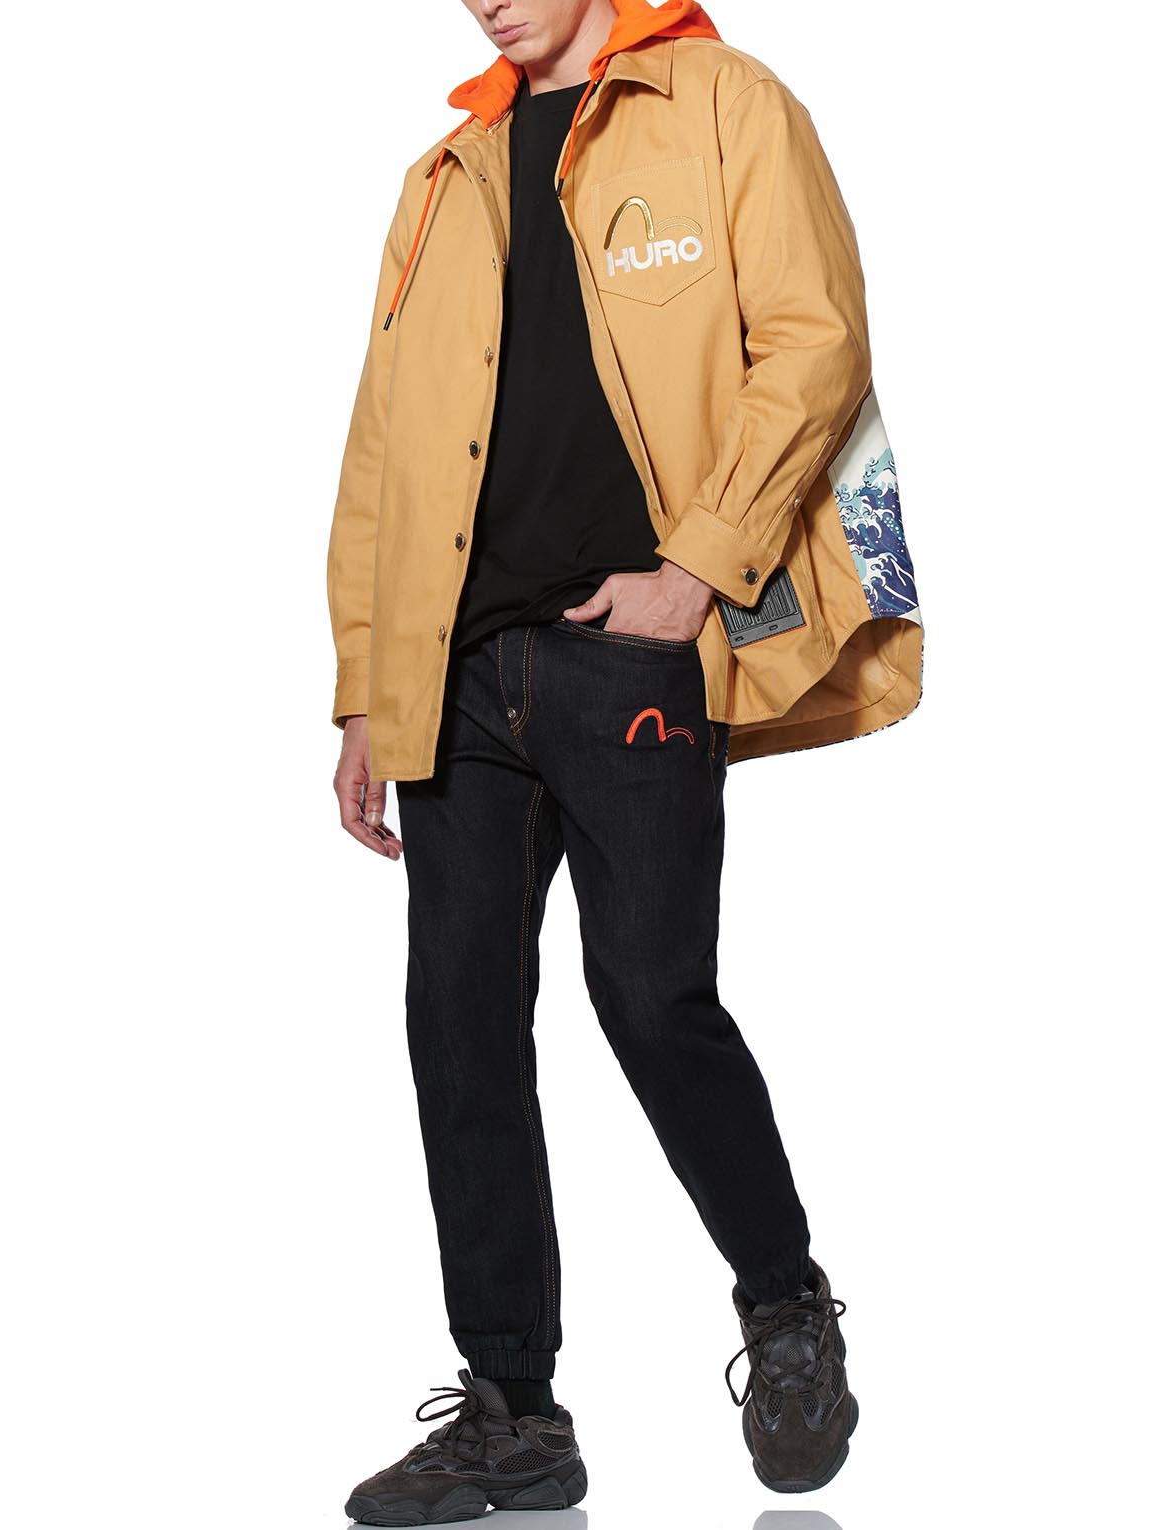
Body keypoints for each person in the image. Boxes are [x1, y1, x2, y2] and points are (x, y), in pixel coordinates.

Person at [326, 1, 923, 1521]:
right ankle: (513, 1411)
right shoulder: (444, 175)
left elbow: (817, 340)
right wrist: (365, 684)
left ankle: (785, 1304)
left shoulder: (722, 101)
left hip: (633, 648)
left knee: (652, 999)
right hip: (459, 671)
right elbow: (384, 445)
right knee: (457, 1021)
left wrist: (698, 569)